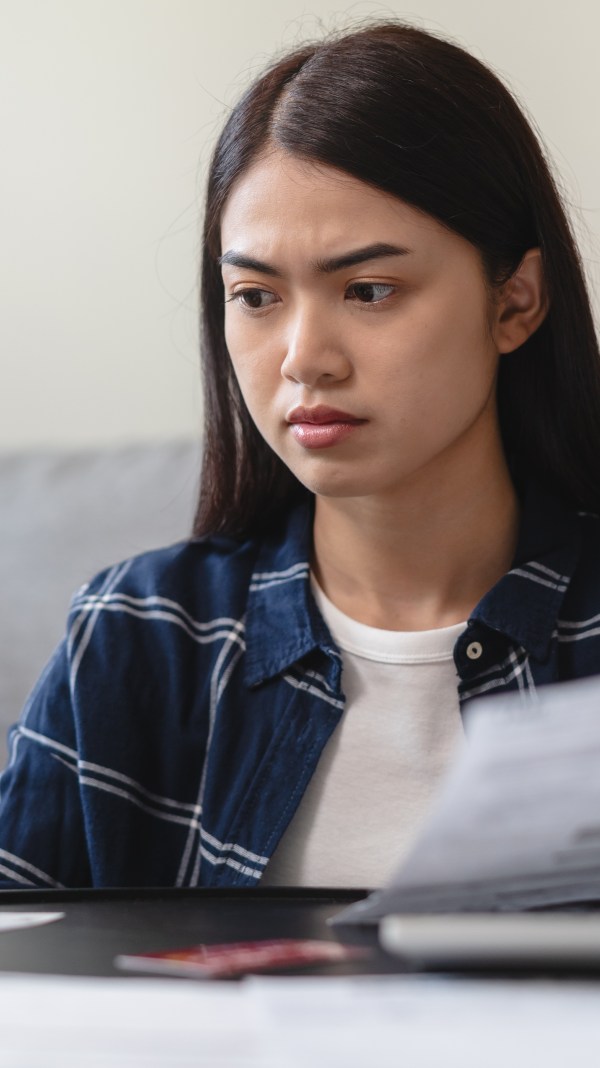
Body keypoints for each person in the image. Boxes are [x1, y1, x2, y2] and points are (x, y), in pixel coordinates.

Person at [1, 21, 599, 892]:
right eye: (255, 296)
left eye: (369, 290)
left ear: (515, 302)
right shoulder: (140, 635)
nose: (303, 356)